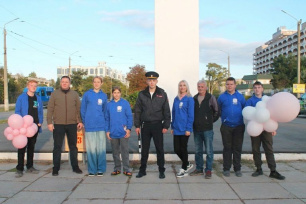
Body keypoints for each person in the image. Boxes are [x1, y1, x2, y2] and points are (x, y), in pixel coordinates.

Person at [134, 71, 171, 179]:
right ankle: (142, 170)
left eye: (153, 80)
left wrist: (166, 125)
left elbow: (166, 111)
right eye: (149, 80)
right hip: (145, 126)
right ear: (147, 81)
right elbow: (138, 111)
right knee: (144, 149)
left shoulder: (162, 93)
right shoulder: (142, 94)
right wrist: (137, 125)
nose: (151, 82)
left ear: (156, 81)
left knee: (160, 149)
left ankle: (161, 170)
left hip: (158, 125)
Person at [246, 81, 285, 180]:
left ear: (262, 89)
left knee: (269, 149)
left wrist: (274, 128)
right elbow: (247, 113)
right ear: (253, 89)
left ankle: (273, 170)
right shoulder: (250, 101)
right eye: (255, 87)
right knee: (255, 149)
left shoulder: (268, 100)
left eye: (259, 87)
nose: (257, 89)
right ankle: (258, 168)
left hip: (267, 128)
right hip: (255, 128)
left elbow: (273, 114)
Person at [47, 76, 83, 176]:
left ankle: (75, 167)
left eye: (66, 82)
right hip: (58, 124)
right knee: (57, 147)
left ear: (69, 83)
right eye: (63, 82)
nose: (64, 83)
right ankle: (56, 168)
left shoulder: (74, 94)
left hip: (72, 124)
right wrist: (49, 122)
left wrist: (80, 121)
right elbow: (50, 109)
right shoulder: (54, 94)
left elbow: (78, 109)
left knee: (73, 147)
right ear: (60, 83)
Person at [190, 80, 219, 179]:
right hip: (197, 130)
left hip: (207, 130)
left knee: (209, 151)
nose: (200, 88)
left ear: (206, 87)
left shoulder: (211, 98)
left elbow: (216, 112)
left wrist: (209, 121)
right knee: (198, 151)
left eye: (202, 86)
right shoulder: (194, 98)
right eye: (199, 86)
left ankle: (208, 170)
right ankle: (199, 168)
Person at [14, 80, 43, 178]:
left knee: (31, 147)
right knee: (21, 148)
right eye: (31, 85)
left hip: (33, 127)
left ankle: (30, 166)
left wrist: (40, 122)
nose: (33, 87)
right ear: (27, 86)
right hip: (23, 127)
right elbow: (17, 111)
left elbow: (40, 112)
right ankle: (19, 168)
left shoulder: (38, 98)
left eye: (35, 86)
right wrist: (20, 123)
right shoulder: (21, 98)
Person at [217, 77, 245, 177]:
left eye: (231, 84)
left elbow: (244, 109)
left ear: (235, 85)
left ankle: (237, 169)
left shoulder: (240, 97)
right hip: (226, 126)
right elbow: (218, 110)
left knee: (237, 148)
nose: (229, 86)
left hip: (239, 126)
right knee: (227, 148)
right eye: (227, 84)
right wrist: (224, 119)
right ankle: (226, 168)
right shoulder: (221, 97)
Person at [81, 76, 107, 177]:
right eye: (95, 82)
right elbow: (83, 109)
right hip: (90, 125)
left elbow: (105, 111)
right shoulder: (87, 95)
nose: (96, 84)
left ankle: (100, 169)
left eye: (98, 82)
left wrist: (104, 123)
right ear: (93, 83)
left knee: (101, 148)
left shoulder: (104, 96)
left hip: (100, 125)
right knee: (91, 149)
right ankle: (92, 170)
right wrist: (85, 121)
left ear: (101, 83)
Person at [105, 86, 133, 177]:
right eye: (114, 92)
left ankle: (126, 169)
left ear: (120, 93)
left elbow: (129, 116)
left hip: (123, 132)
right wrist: (107, 130)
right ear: (112, 94)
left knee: (124, 151)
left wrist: (129, 129)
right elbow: (107, 118)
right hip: (113, 132)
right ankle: (117, 168)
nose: (116, 94)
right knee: (115, 152)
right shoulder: (109, 104)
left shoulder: (125, 103)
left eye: (118, 92)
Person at [171, 80, 194, 178]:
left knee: (183, 148)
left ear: (187, 87)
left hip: (185, 129)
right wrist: (172, 126)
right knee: (176, 149)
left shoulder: (189, 99)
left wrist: (188, 128)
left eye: (184, 85)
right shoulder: (176, 99)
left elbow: (191, 115)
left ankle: (184, 168)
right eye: (180, 85)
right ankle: (187, 163)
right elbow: (174, 113)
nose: (182, 87)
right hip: (176, 128)